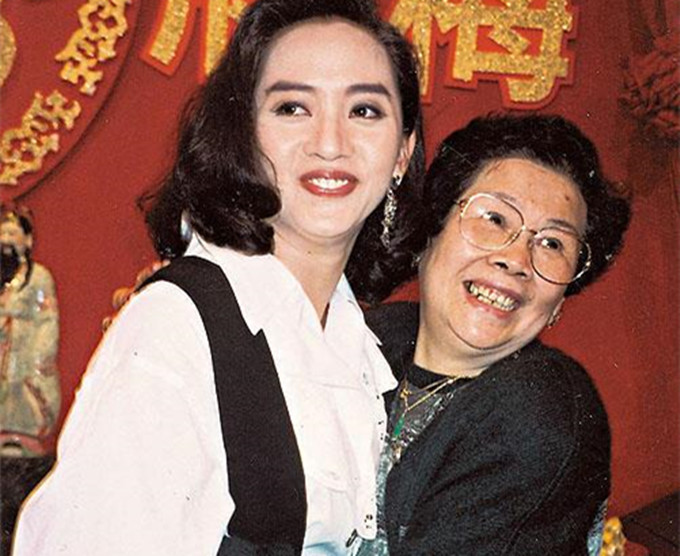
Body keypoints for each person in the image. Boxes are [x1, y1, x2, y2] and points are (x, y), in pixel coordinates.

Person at [12, 0, 424, 554]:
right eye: (292, 108)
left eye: (365, 111)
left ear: (402, 152)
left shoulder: (361, 347)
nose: (330, 143)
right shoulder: (177, 327)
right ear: (242, 135)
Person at [360, 114, 631, 555]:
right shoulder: (365, 340)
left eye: (553, 244)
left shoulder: (538, 414)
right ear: (430, 234)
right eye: (495, 218)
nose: (516, 259)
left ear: (559, 301)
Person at [0, 205, 60, 556]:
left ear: (27, 239)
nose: (7, 238)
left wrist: (37, 357)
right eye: (3, 232)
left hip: (25, 353)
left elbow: (47, 321)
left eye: (13, 232)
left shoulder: (39, 279)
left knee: (23, 397)